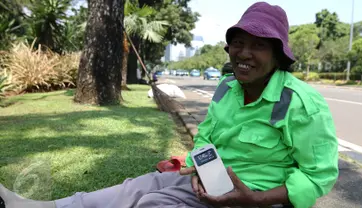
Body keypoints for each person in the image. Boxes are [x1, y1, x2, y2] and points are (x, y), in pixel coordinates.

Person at [0, 2, 338, 208]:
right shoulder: (226, 87)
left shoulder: (302, 103)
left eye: (259, 45)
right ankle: (43, 206)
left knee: (152, 204)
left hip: (256, 199)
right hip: (205, 181)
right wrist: (196, 164)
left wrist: (254, 199)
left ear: (278, 55)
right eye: (238, 42)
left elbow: (318, 176)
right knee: (134, 188)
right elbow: (207, 135)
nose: (245, 53)